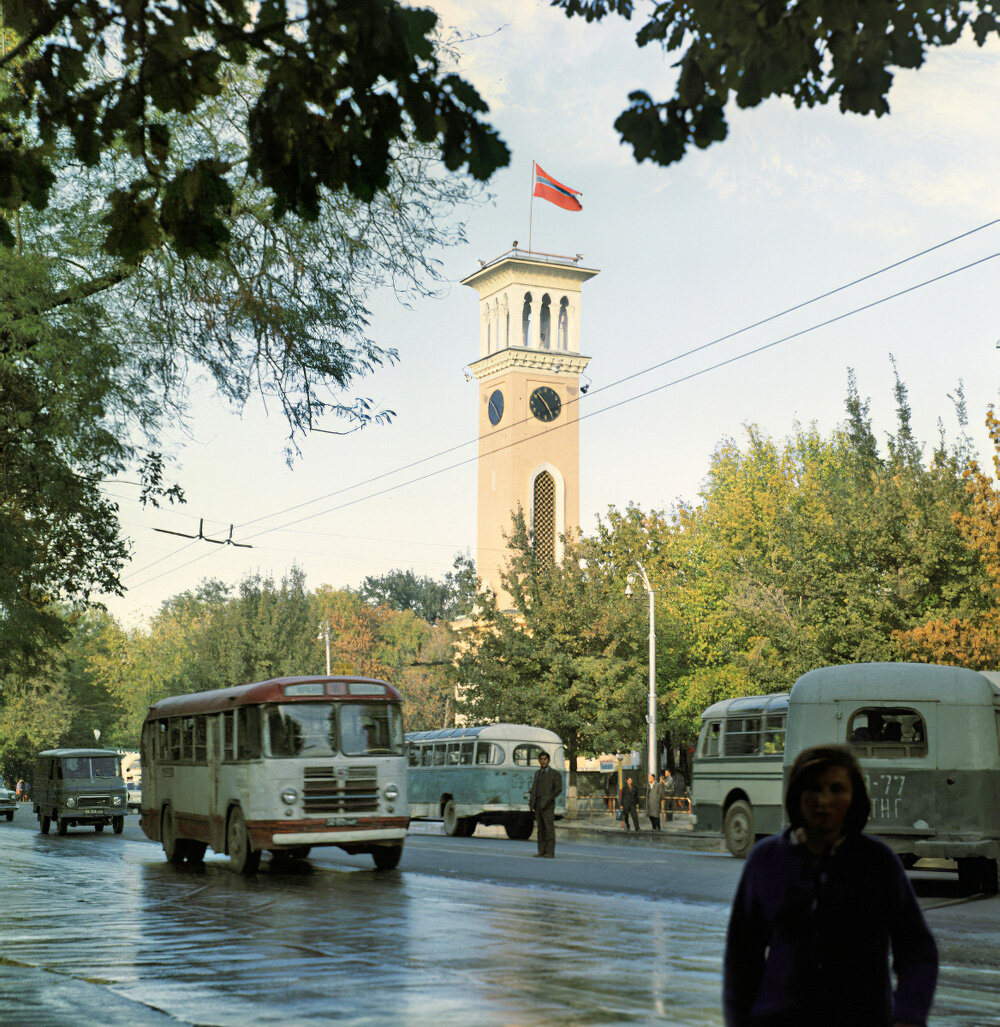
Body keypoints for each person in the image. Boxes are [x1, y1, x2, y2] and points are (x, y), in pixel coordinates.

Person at [723, 744, 938, 1027]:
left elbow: (917, 951)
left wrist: (909, 1016)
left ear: (855, 797)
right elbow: (742, 958)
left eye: (836, 789)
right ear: (797, 794)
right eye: (812, 788)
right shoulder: (766, 860)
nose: (823, 800)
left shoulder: (878, 862)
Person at [529, 749, 562, 858]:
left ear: (548, 760)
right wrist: (531, 802)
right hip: (537, 804)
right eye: (541, 759)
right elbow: (534, 788)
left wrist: (549, 799)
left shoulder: (554, 774)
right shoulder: (537, 773)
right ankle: (541, 851)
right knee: (540, 829)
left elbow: (558, 789)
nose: (543, 761)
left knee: (549, 829)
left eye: (545, 759)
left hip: (548, 805)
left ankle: (550, 852)